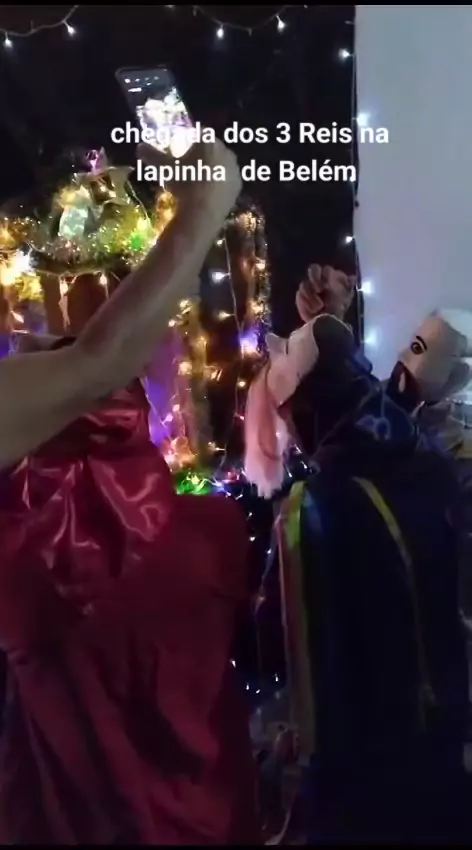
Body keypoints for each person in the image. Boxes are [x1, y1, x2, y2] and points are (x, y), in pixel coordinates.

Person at [0, 141, 260, 845]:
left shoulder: (22, 543)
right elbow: (99, 362)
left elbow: (97, 364)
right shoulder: (213, 535)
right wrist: (206, 204)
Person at [244, 268, 469, 843]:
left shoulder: (317, 505)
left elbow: (284, 647)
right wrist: (328, 324)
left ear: (302, 414)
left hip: (368, 764)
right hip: (446, 725)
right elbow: (368, 398)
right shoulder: (423, 453)